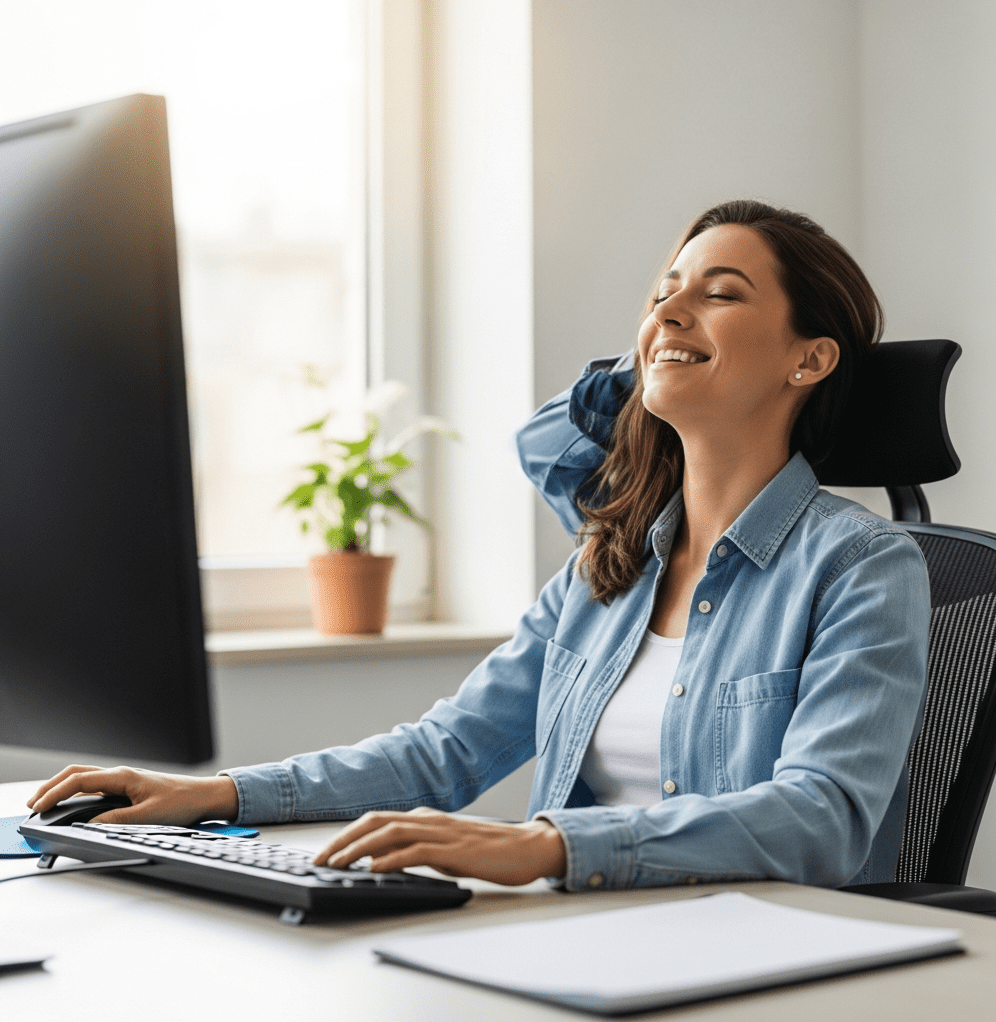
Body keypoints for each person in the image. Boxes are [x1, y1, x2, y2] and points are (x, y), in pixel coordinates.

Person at [28, 200, 931, 892]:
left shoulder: (861, 567)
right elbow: (443, 752)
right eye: (663, 294)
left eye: (720, 294)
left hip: (768, 951)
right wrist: (217, 795)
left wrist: (545, 845)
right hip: (588, 925)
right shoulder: (606, 567)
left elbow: (823, 818)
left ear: (809, 361)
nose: (671, 312)